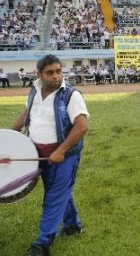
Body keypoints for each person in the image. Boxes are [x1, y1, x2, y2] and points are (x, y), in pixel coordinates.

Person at [12, 54, 89, 256]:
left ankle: (42, 244)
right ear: (39, 75)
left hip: (64, 155)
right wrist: (10, 135)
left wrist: (61, 150)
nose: (56, 76)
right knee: (60, 192)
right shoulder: (34, 92)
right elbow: (27, 113)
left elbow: (81, 127)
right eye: (50, 73)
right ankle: (72, 225)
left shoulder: (71, 95)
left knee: (53, 196)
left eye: (58, 71)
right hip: (39, 154)